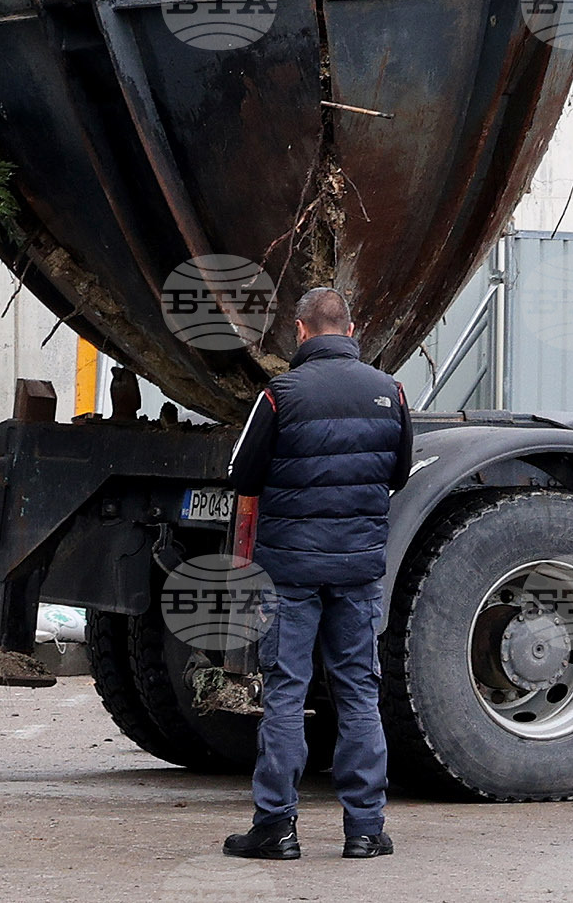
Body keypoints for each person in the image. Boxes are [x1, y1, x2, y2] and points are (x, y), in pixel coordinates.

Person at [218, 286, 411, 862]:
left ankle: (276, 828)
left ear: (301, 332)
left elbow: (241, 476)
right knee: (358, 691)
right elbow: (398, 473)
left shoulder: (280, 393)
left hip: (290, 571)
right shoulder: (390, 391)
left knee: (285, 691)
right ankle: (366, 830)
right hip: (357, 568)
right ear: (350, 330)